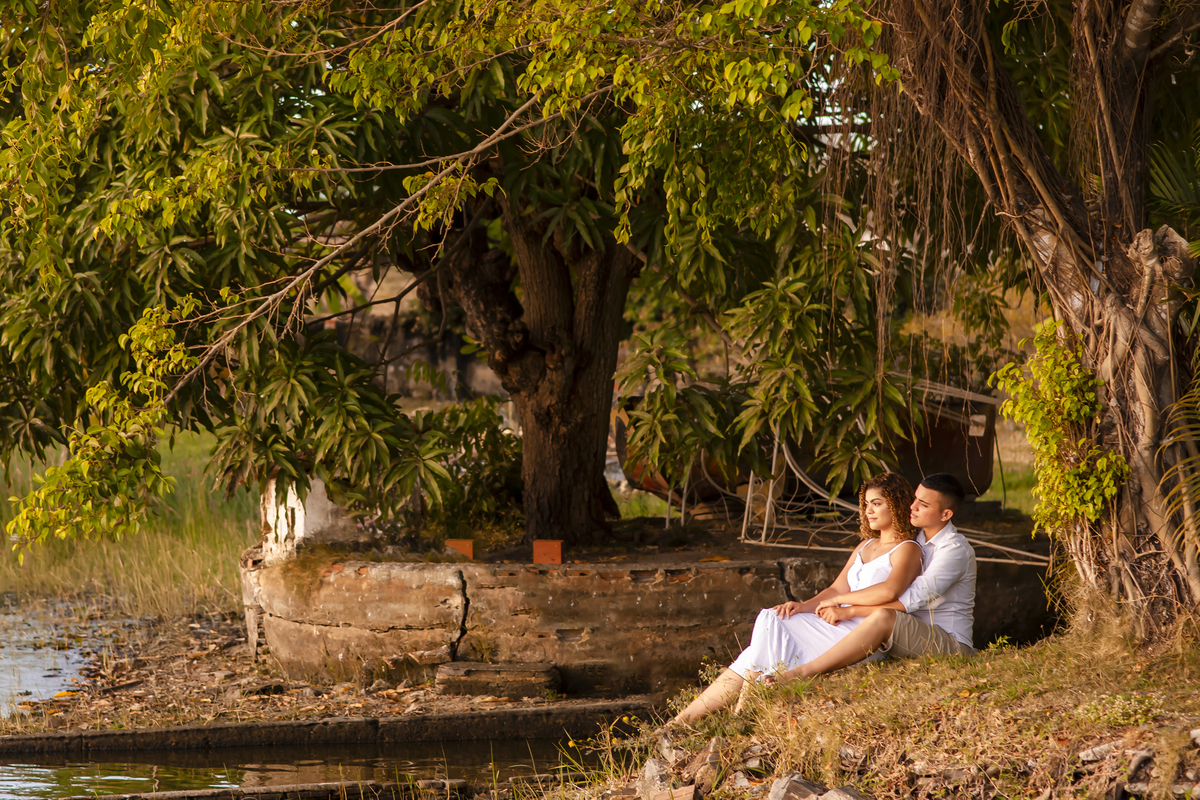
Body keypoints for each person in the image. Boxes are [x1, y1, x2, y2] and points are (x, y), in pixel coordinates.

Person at [669, 472, 924, 726]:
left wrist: (839, 603)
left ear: (897, 505)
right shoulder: (865, 545)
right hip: (835, 622)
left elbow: (889, 591)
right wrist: (804, 606)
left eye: (877, 503)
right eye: (866, 504)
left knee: (767, 631)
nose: (869, 510)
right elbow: (835, 589)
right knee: (771, 622)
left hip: (860, 631)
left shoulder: (907, 548)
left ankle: (739, 713)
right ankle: (680, 724)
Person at [765, 472, 976, 685]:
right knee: (778, 619)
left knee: (883, 616)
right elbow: (840, 586)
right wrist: (807, 606)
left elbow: (908, 601)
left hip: (948, 641)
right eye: (914, 499)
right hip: (907, 632)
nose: (912, 507)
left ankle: (802, 674)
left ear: (945, 514)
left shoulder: (954, 549)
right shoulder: (916, 539)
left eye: (923, 504)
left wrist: (848, 609)